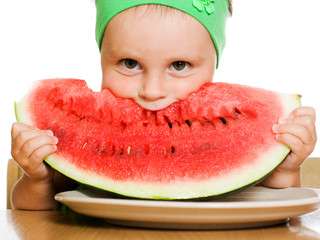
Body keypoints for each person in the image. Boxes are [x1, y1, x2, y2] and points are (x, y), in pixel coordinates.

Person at [10, 0, 316, 210]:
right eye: (130, 63)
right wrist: (37, 180)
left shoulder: (241, 139)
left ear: (214, 64)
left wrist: (283, 171)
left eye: (179, 65)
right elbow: (30, 212)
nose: (152, 91)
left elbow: (279, 212)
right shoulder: (71, 142)